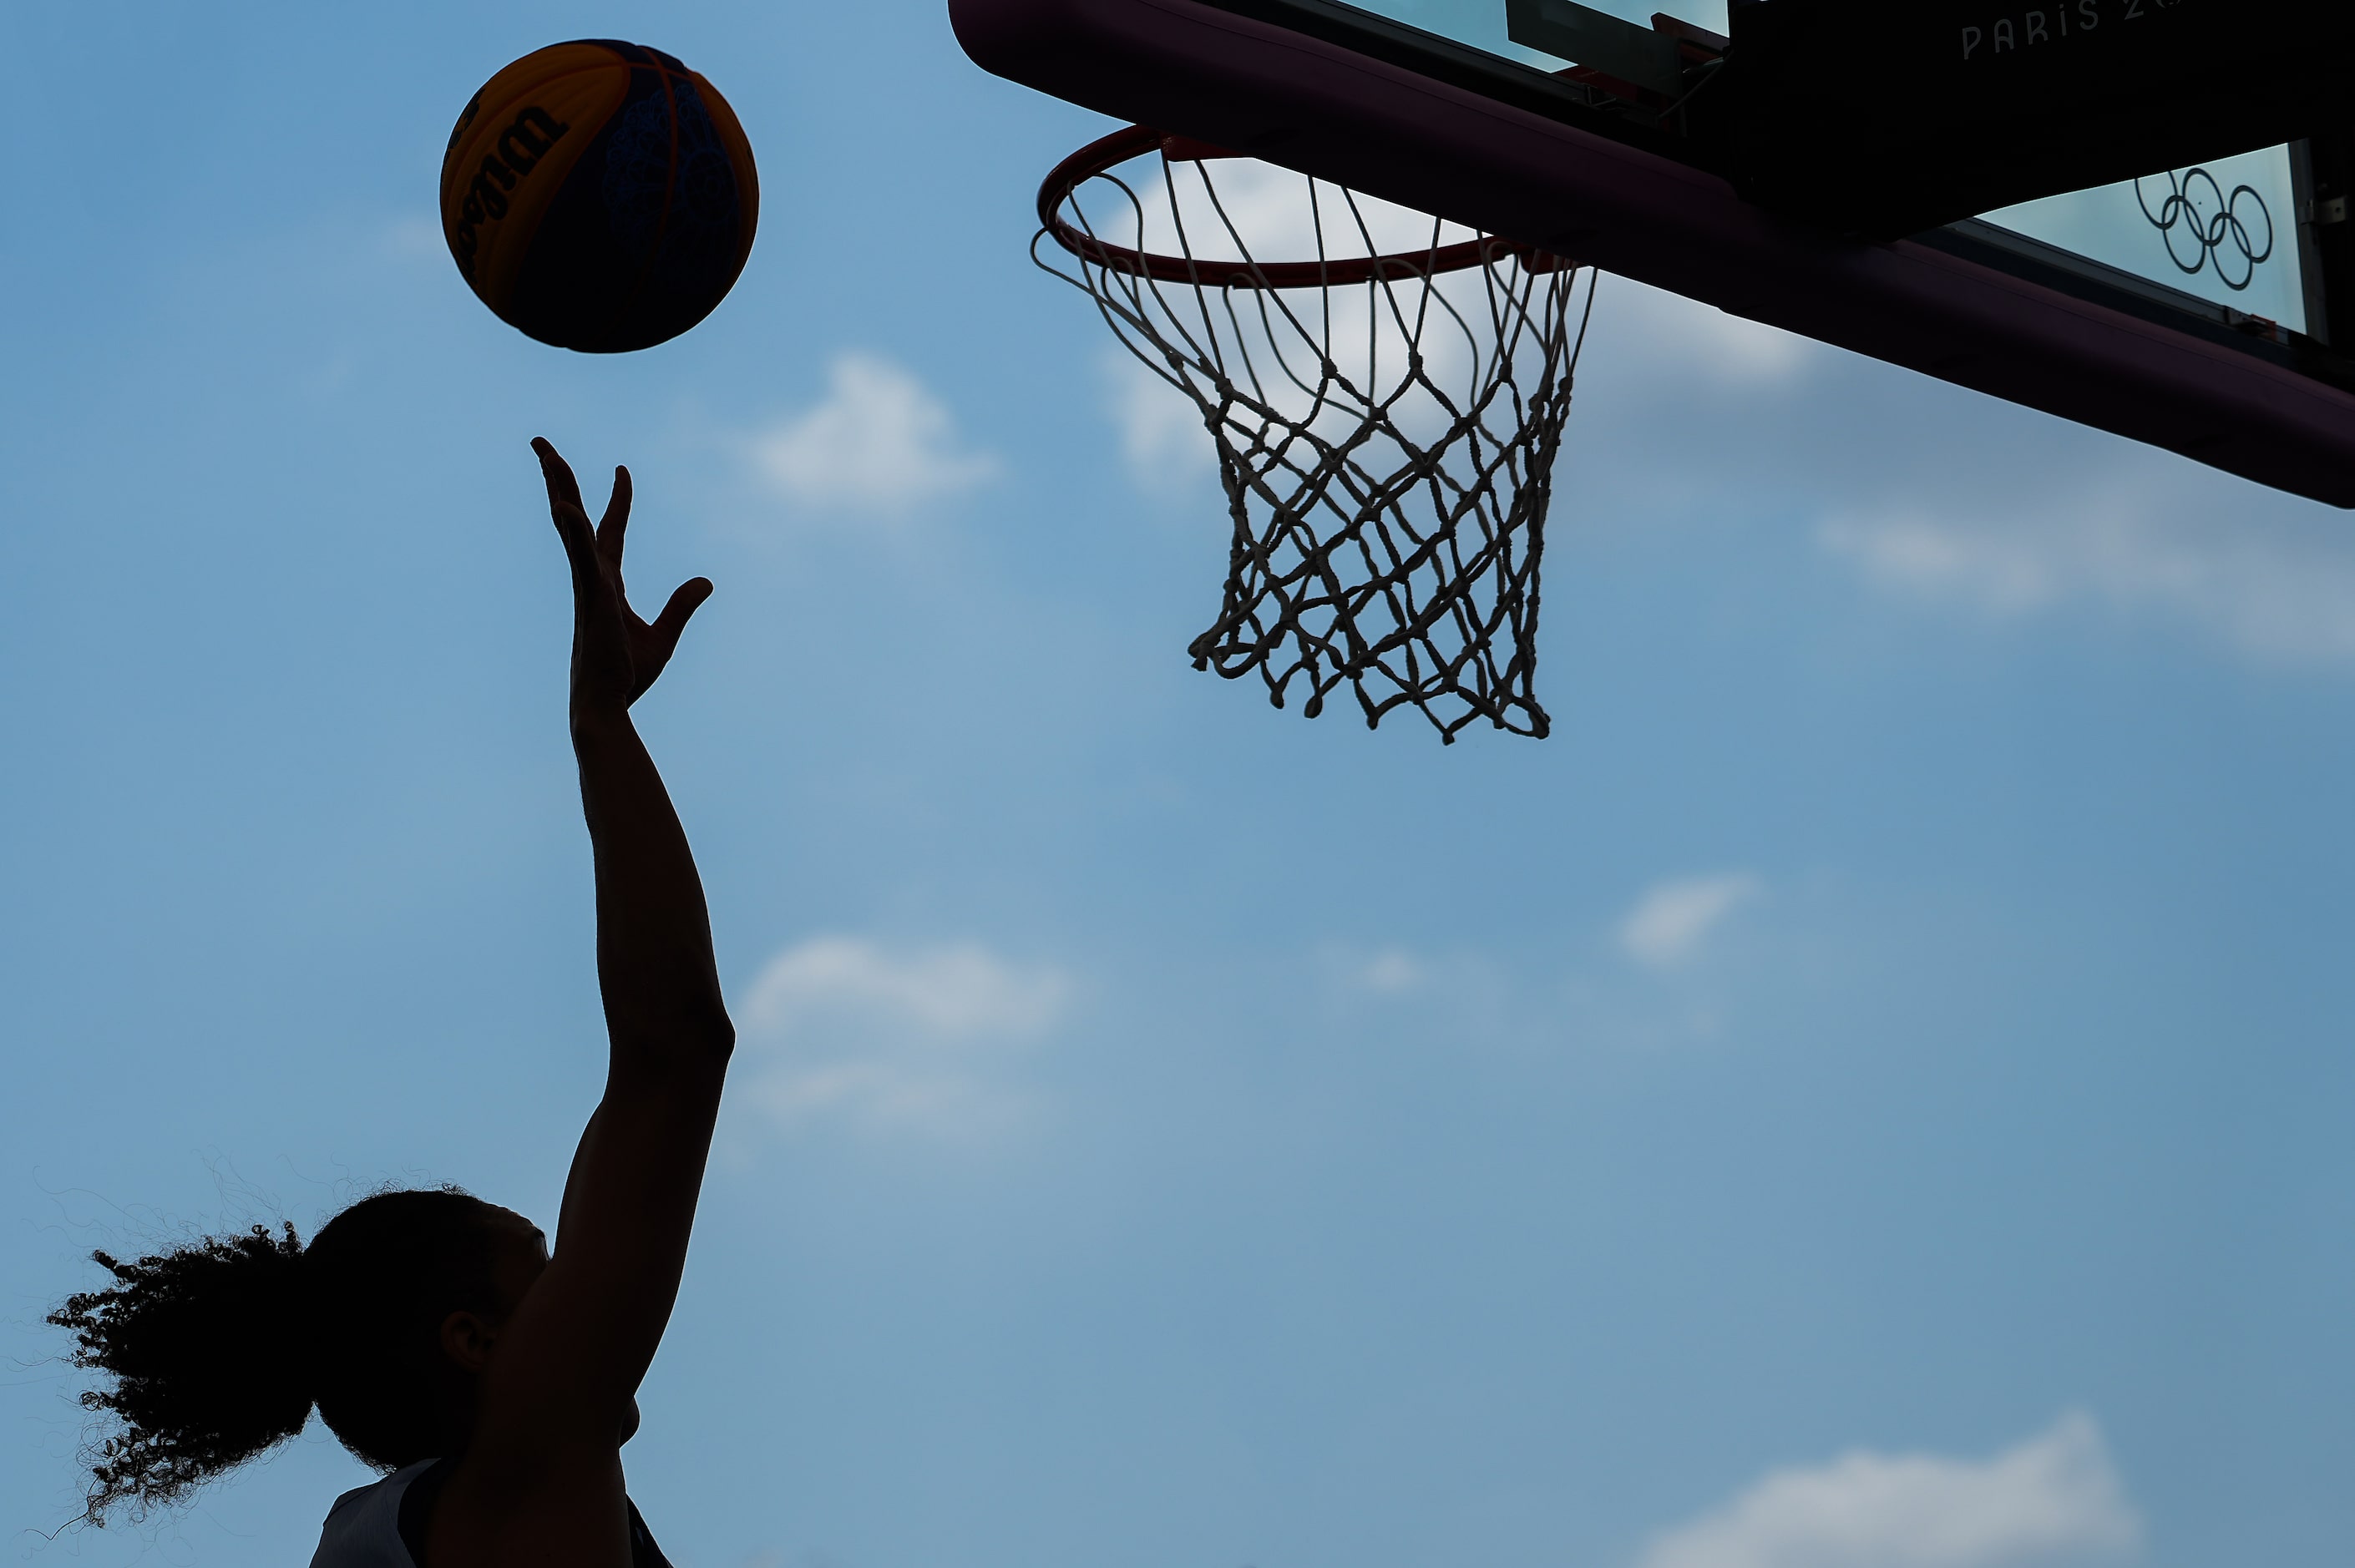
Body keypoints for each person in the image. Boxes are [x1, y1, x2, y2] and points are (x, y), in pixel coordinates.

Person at [48, 441, 732, 1568]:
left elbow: (650, 1083)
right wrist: (601, 724)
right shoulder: (529, 1458)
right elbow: (672, 1056)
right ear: (475, 1341)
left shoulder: (387, 1533)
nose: (594, 1278)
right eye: (546, 1270)